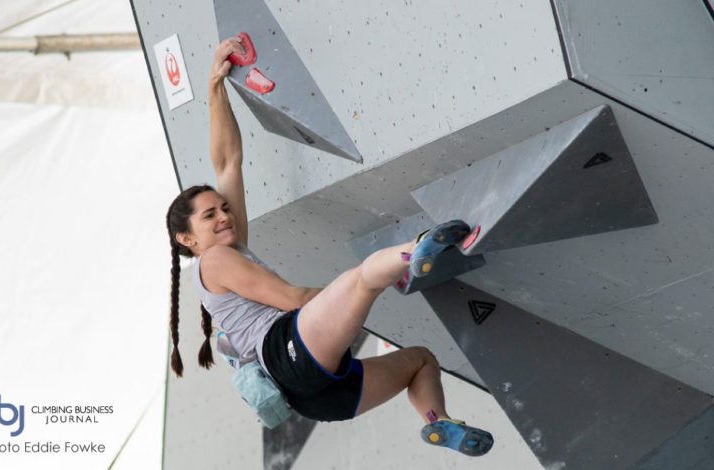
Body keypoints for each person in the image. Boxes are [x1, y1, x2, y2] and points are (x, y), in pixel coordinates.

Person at [164, 36, 493, 456]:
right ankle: (415, 251)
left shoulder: (227, 250)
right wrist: (347, 300)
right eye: (210, 216)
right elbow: (291, 298)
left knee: (421, 361)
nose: (224, 216)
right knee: (360, 280)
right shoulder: (214, 260)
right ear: (187, 239)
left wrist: (215, 86)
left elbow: (227, 161)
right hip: (286, 351)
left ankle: (438, 421)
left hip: (314, 396)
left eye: (223, 208)